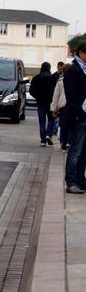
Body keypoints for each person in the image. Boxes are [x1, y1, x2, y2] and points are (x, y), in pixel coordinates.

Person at [63, 42, 86, 193]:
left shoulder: (83, 69)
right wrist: (80, 114)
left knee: (84, 151)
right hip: (79, 117)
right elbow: (71, 97)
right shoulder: (73, 70)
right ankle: (71, 182)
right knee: (76, 151)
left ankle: (80, 179)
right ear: (81, 53)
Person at [29, 62, 56, 146]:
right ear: (49, 68)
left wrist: (37, 95)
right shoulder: (52, 78)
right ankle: (48, 134)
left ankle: (43, 140)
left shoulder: (36, 78)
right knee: (51, 119)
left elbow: (31, 90)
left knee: (42, 121)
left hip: (40, 102)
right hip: (51, 102)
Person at [51, 62, 71, 150]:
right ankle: (69, 142)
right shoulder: (77, 80)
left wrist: (54, 109)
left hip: (63, 106)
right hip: (73, 105)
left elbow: (56, 96)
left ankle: (63, 142)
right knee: (71, 125)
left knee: (63, 125)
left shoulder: (60, 81)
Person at [51, 61, 64, 137]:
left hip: (61, 100)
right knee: (56, 118)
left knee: (58, 118)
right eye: (59, 67)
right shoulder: (54, 76)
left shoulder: (63, 77)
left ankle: (55, 131)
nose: (60, 69)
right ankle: (54, 131)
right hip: (57, 97)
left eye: (61, 68)